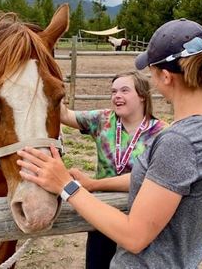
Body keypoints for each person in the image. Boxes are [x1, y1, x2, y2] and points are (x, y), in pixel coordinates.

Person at [17, 18, 202, 268]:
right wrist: (93, 183)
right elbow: (160, 182)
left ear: (165, 76)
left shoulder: (178, 141)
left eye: (151, 72)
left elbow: (135, 237)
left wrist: (66, 185)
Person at [60, 71, 167, 268]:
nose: (117, 95)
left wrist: (92, 185)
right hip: (101, 213)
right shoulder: (102, 120)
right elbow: (64, 115)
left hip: (140, 216)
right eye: (113, 91)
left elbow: (146, 178)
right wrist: (50, 85)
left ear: (142, 95)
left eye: (125, 90)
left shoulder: (161, 133)